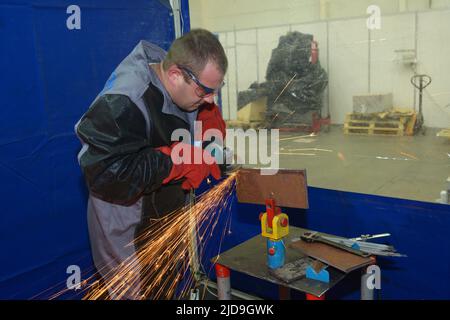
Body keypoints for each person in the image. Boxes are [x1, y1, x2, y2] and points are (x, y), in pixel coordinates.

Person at [75, 29, 228, 299]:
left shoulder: (183, 83)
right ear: (175, 75)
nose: (210, 99)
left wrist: (206, 141)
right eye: (205, 91)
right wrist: (177, 162)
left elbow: (184, 130)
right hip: (126, 228)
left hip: (162, 212)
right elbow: (104, 173)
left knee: (165, 287)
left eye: (216, 90)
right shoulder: (126, 97)